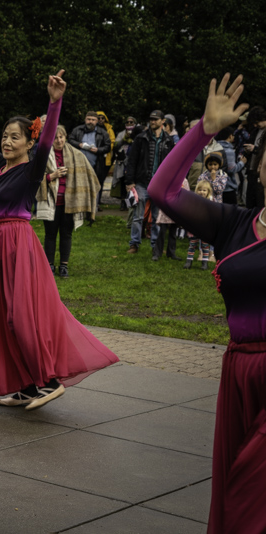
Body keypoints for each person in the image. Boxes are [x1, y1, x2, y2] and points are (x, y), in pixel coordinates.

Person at [146, 73, 266, 533]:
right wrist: (204, 130)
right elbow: (162, 193)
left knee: (251, 502)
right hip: (239, 374)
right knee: (236, 492)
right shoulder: (234, 223)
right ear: (259, 167)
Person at [0, 65, 118, 410]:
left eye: (14, 137)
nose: (6, 141)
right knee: (4, 318)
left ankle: (49, 380)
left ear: (29, 143)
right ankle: (26, 384)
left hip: (19, 243)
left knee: (22, 316)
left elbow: (48, 138)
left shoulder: (31, 169)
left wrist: (54, 104)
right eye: (4, 136)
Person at [35, 125, 100, 277]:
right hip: (51, 201)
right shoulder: (42, 156)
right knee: (50, 235)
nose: (58, 140)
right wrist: (52, 176)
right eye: (55, 138)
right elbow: (34, 178)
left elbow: (90, 176)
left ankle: (64, 265)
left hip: (70, 203)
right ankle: (49, 265)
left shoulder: (77, 155)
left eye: (61, 137)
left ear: (65, 137)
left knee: (66, 234)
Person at [125, 110, 175, 259]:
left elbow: (171, 163)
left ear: (162, 121)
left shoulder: (168, 140)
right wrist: (130, 181)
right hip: (142, 182)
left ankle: (156, 246)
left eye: (155, 119)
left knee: (156, 217)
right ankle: (134, 243)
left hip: (159, 184)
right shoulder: (141, 138)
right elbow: (132, 160)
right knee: (137, 216)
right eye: (151, 119)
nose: (152, 122)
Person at [182, 180, 214, 270]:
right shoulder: (193, 201)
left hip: (205, 228)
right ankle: (189, 261)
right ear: (196, 190)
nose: (202, 192)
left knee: (205, 246)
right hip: (194, 226)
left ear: (208, 192)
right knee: (192, 244)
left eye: (204, 190)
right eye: (200, 190)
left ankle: (205, 263)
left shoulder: (210, 203)